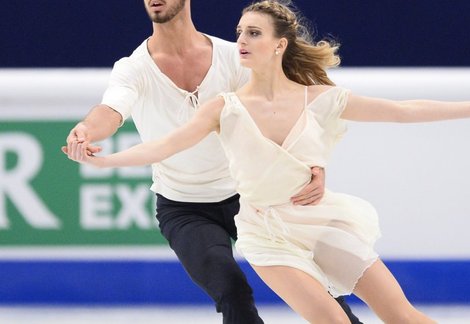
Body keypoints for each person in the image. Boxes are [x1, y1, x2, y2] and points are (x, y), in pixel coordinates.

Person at [71, 0, 470, 323]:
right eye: (241, 31)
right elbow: (155, 139)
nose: (243, 40)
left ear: (279, 44)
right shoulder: (204, 97)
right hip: (230, 218)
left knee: (398, 315)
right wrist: (100, 153)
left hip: (294, 211)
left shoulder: (289, 85)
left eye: (254, 33)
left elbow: (399, 110)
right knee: (257, 299)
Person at [61, 0, 364, 323]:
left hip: (252, 198)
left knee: (317, 283)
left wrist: (313, 163)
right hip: (185, 208)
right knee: (232, 292)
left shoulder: (233, 57)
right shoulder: (133, 69)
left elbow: (285, 109)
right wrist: (86, 130)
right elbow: (112, 110)